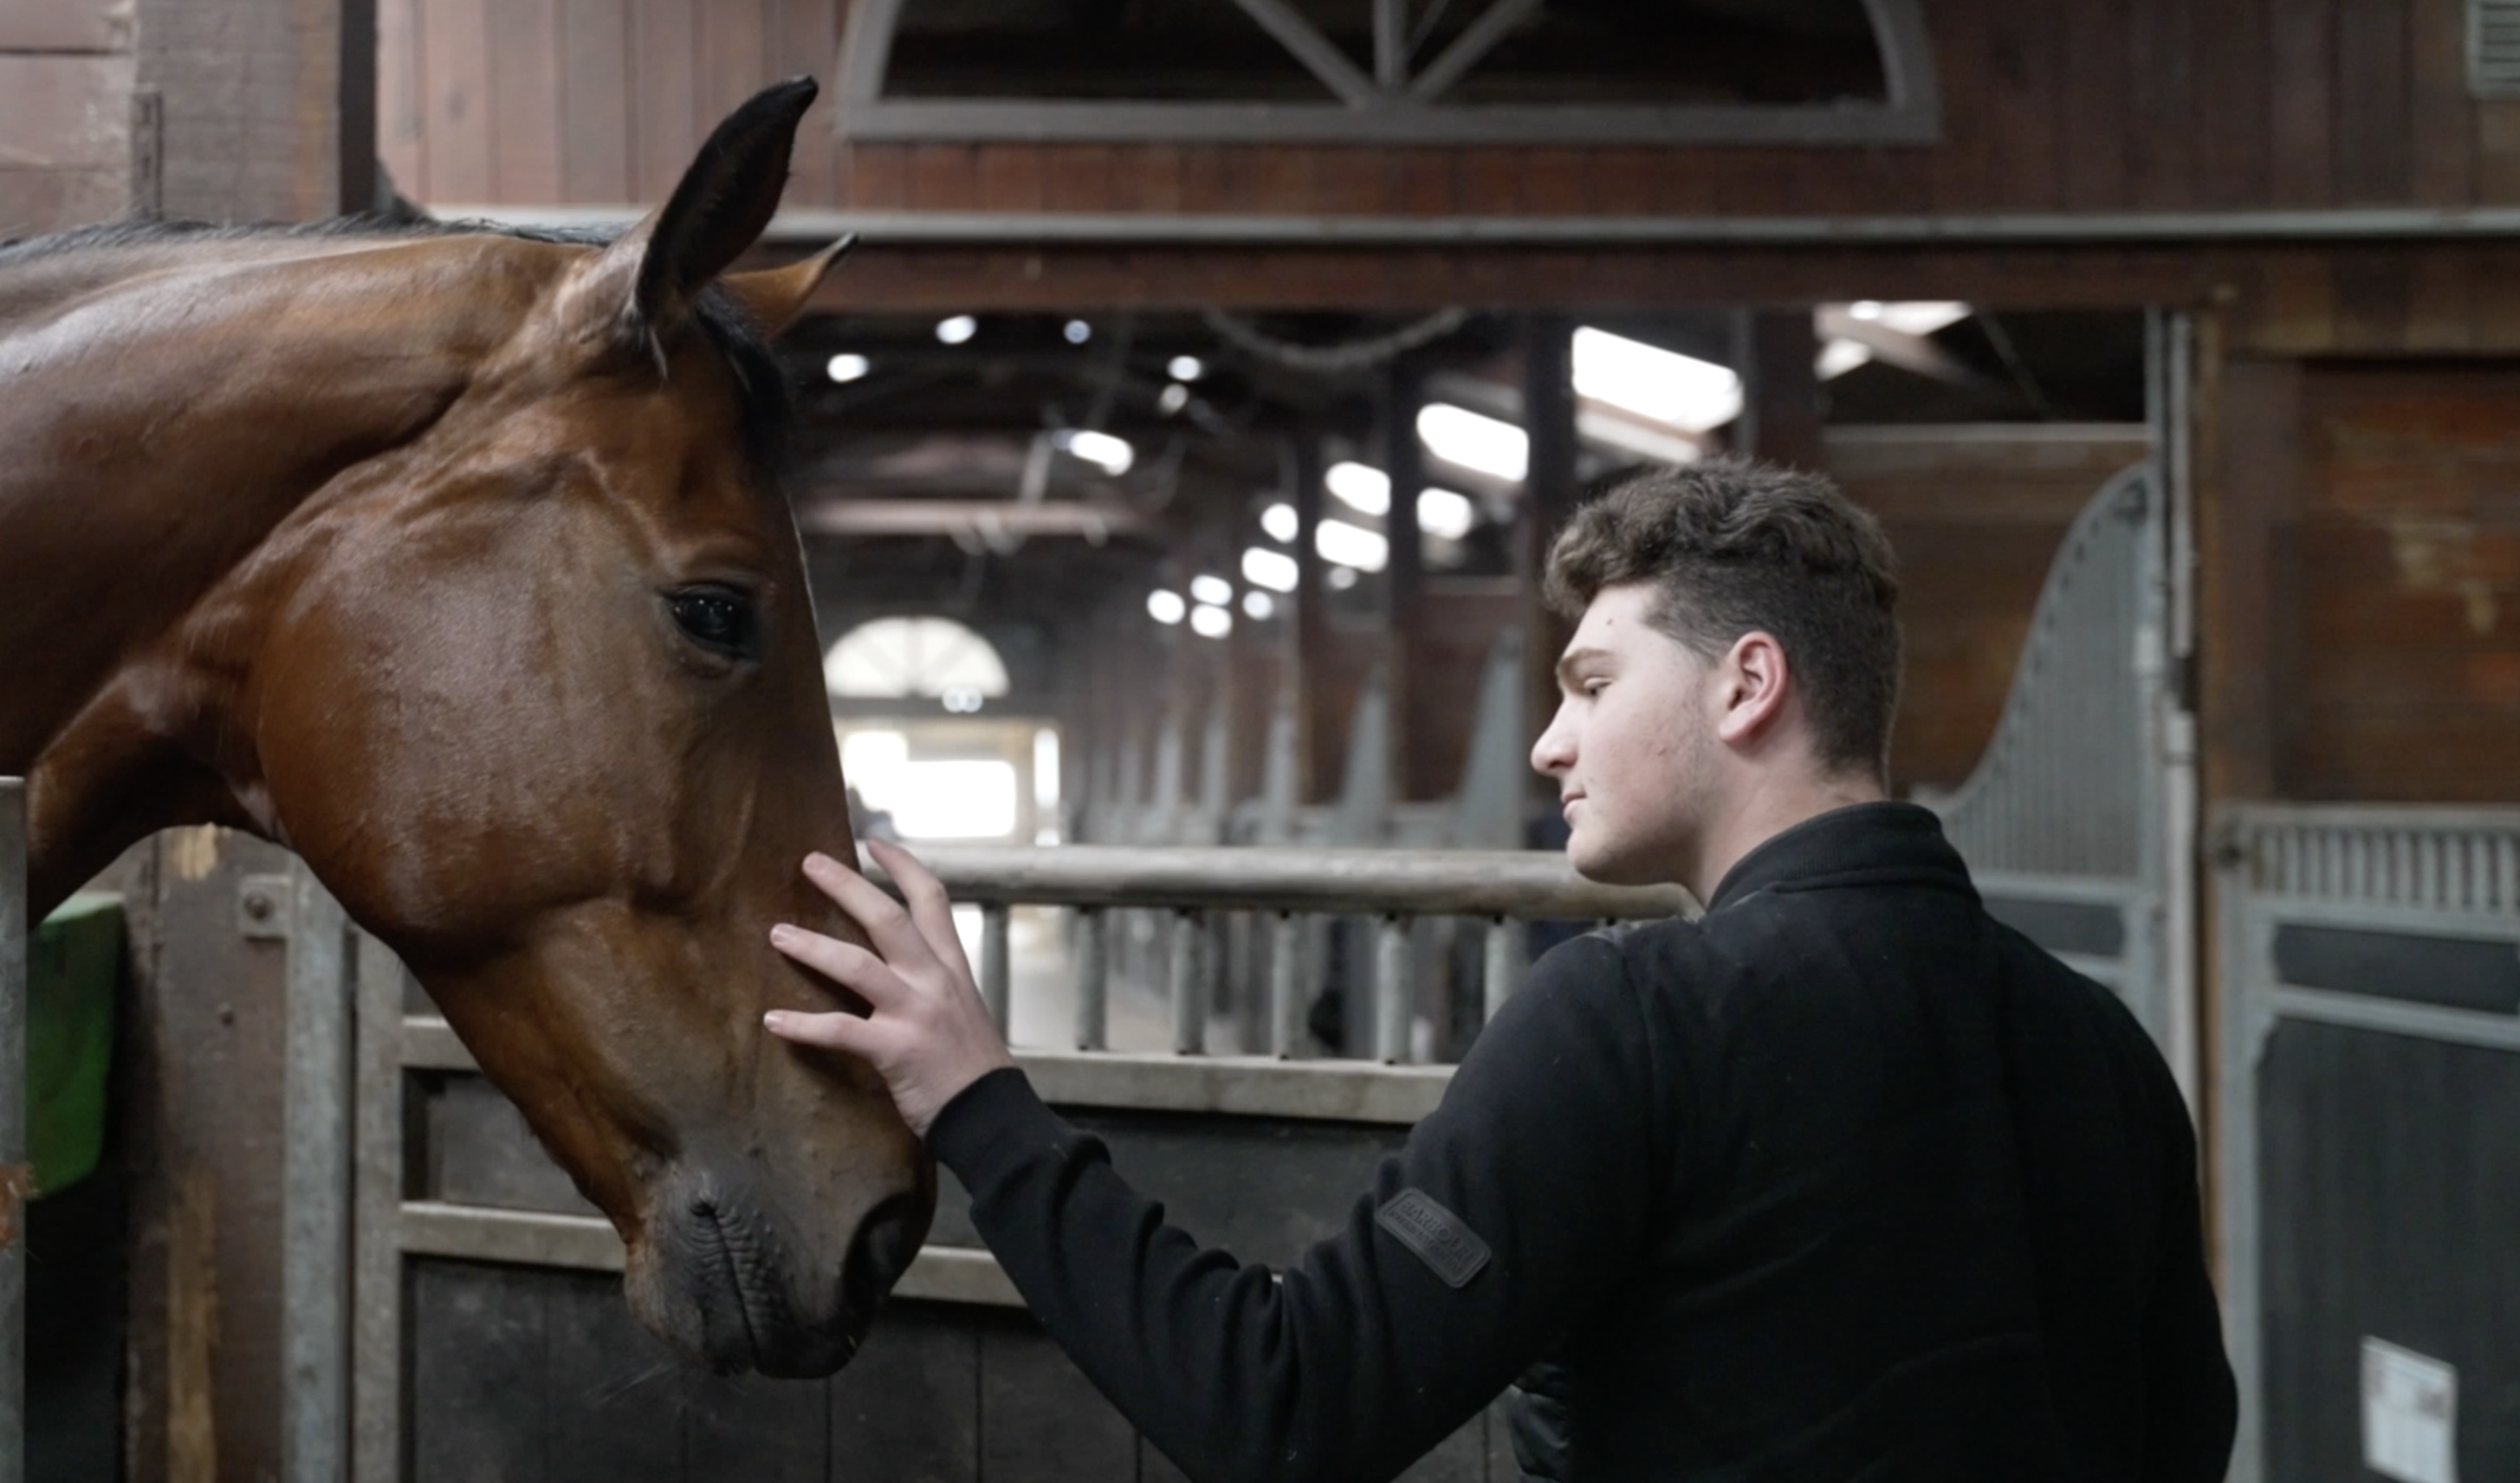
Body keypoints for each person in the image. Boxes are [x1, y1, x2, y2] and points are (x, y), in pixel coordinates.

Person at [764, 458, 2237, 1483]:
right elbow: (2187, 1438)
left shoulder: (1638, 1017)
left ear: (1749, 686)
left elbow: (1279, 1409)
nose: (1547, 744)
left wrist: (978, 1100)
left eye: (1592, 684)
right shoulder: (2103, 1043)